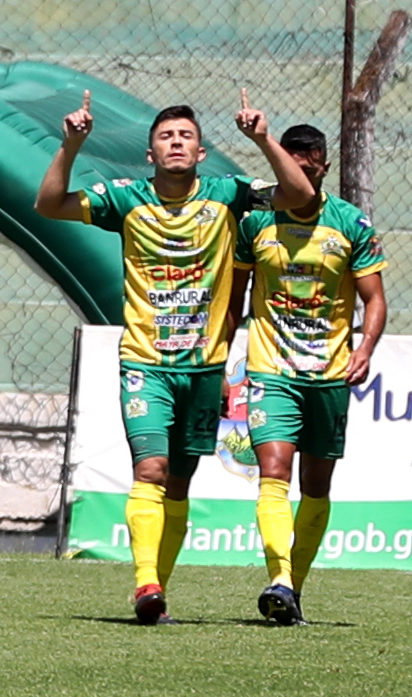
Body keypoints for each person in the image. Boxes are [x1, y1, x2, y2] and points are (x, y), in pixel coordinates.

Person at [34, 89, 315, 624]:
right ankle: (144, 584)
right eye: (166, 136)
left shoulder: (227, 194)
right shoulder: (125, 199)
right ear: (150, 154)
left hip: (204, 368)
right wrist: (70, 146)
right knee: (152, 468)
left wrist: (261, 139)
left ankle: (157, 587)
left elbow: (299, 194)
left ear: (202, 151)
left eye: (186, 136)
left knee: (181, 482)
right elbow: (48, 204)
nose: (176, 143)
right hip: (146, 362)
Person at [234, 123, 388, 625]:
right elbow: (233, 299)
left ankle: (292, 588)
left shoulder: (350, 224)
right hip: (271, 370)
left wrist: (365, 345)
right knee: (273, 471)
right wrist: (219, 356)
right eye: (290, 161)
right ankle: (279, 577)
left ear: (324, 166)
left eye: (309, 162)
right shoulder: (256, 224)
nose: (300, 169)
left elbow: (375, 299)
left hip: (328, 376)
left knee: (316, 487)